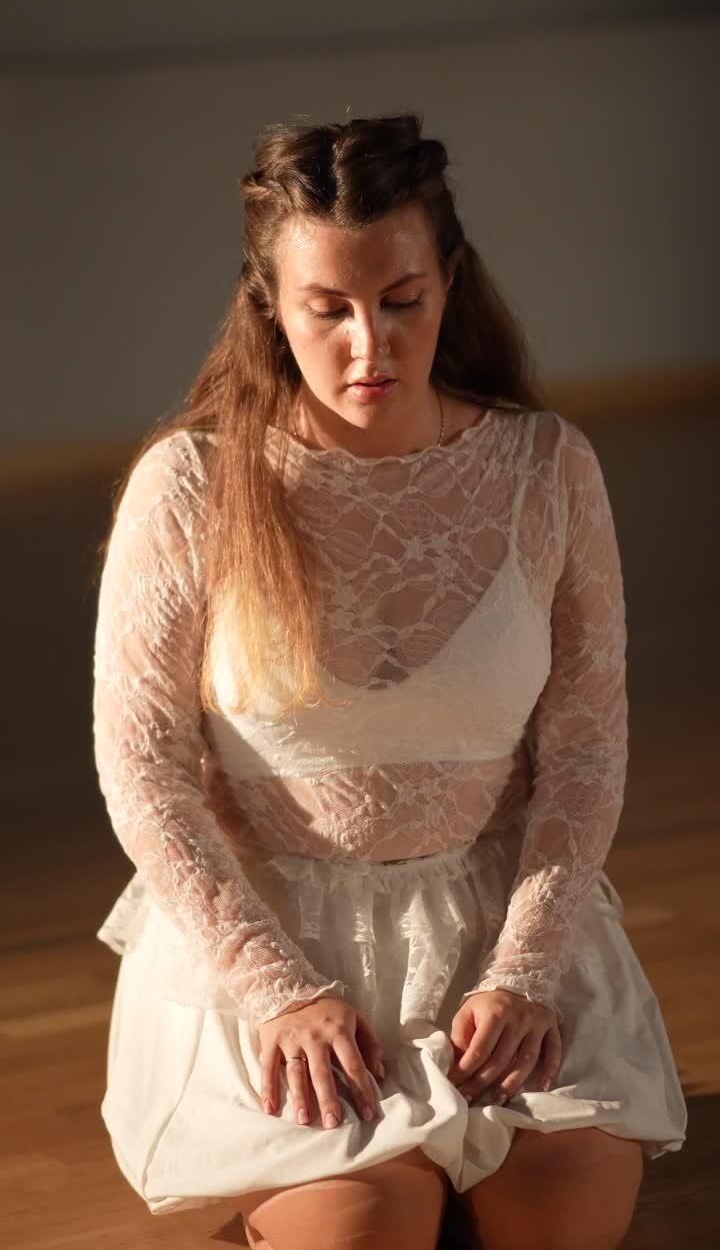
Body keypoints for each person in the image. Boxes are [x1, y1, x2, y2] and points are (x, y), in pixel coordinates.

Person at [92, 113, 687, 1250]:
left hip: (503, 928)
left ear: (448, 282)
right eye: (330, 308)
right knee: (367, 1231)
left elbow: (587, 747)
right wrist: (277, 989)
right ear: (271, 302)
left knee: (558, 1232)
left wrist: (525, 971)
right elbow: (144, 766)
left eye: (403, 298)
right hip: (280, 938)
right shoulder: (190, 485)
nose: (371, 342)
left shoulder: (548, 464)